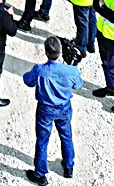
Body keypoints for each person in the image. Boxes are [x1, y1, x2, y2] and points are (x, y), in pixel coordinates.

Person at [22, 36, 83, 183]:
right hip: (64, 108)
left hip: (45, 109)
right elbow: (78, 85)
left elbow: (27, 81)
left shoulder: (40, 70)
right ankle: (68, 167)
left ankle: (40, 174)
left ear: (45, 53)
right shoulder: (71, 71)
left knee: (43, 140)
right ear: (61, 52)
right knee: (66, 136)